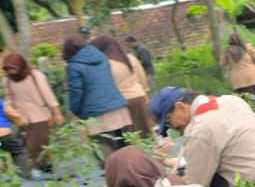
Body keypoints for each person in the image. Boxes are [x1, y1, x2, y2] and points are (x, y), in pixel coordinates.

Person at [149, 86, 255, 187]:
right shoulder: (231, 101)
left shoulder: (199, 130)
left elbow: (195, 186)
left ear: (180, 107)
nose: (174, 129)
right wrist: (163, 161)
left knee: (193, 186)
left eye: (169, 122)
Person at [63, 34, 130, 164]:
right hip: (118, 106)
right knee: (125, 148)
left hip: (96, 113)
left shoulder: (73, 66)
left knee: (105, 152)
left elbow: (75, 92)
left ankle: (116, 180)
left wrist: (75, 110)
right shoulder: (102, 57)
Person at [3, 52, 62, 174]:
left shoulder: (35, 75)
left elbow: (48, 95)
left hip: (39, 117)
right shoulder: (8, 81)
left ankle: (46, 171)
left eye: (12, 67)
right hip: (21, 120)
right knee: (27, 148)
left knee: (40, 147)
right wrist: (9, 108)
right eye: (8, 69)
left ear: (19, 65)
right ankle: (34, 172)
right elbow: (8, 98)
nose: (11, 71)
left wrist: (56, 112)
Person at [92, 35, 152, 138]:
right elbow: (142, 77)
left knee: (130, 138)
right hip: (139, 97)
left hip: (121, 104)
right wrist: (145, 94)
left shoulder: (104, 64)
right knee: (147, 135)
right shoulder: (130, 58)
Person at [219, 32, 255, 116]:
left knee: (245, 99)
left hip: (238, 80)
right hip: (253, 75)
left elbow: (222, 63)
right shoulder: (248, 47)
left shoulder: (227, 51)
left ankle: (251, 116)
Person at [0, 98, 35, 179]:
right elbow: (12, 114)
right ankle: (27, 177)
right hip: (2, 135)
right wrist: (23, 122)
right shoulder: (2, 102)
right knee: (18, 151)